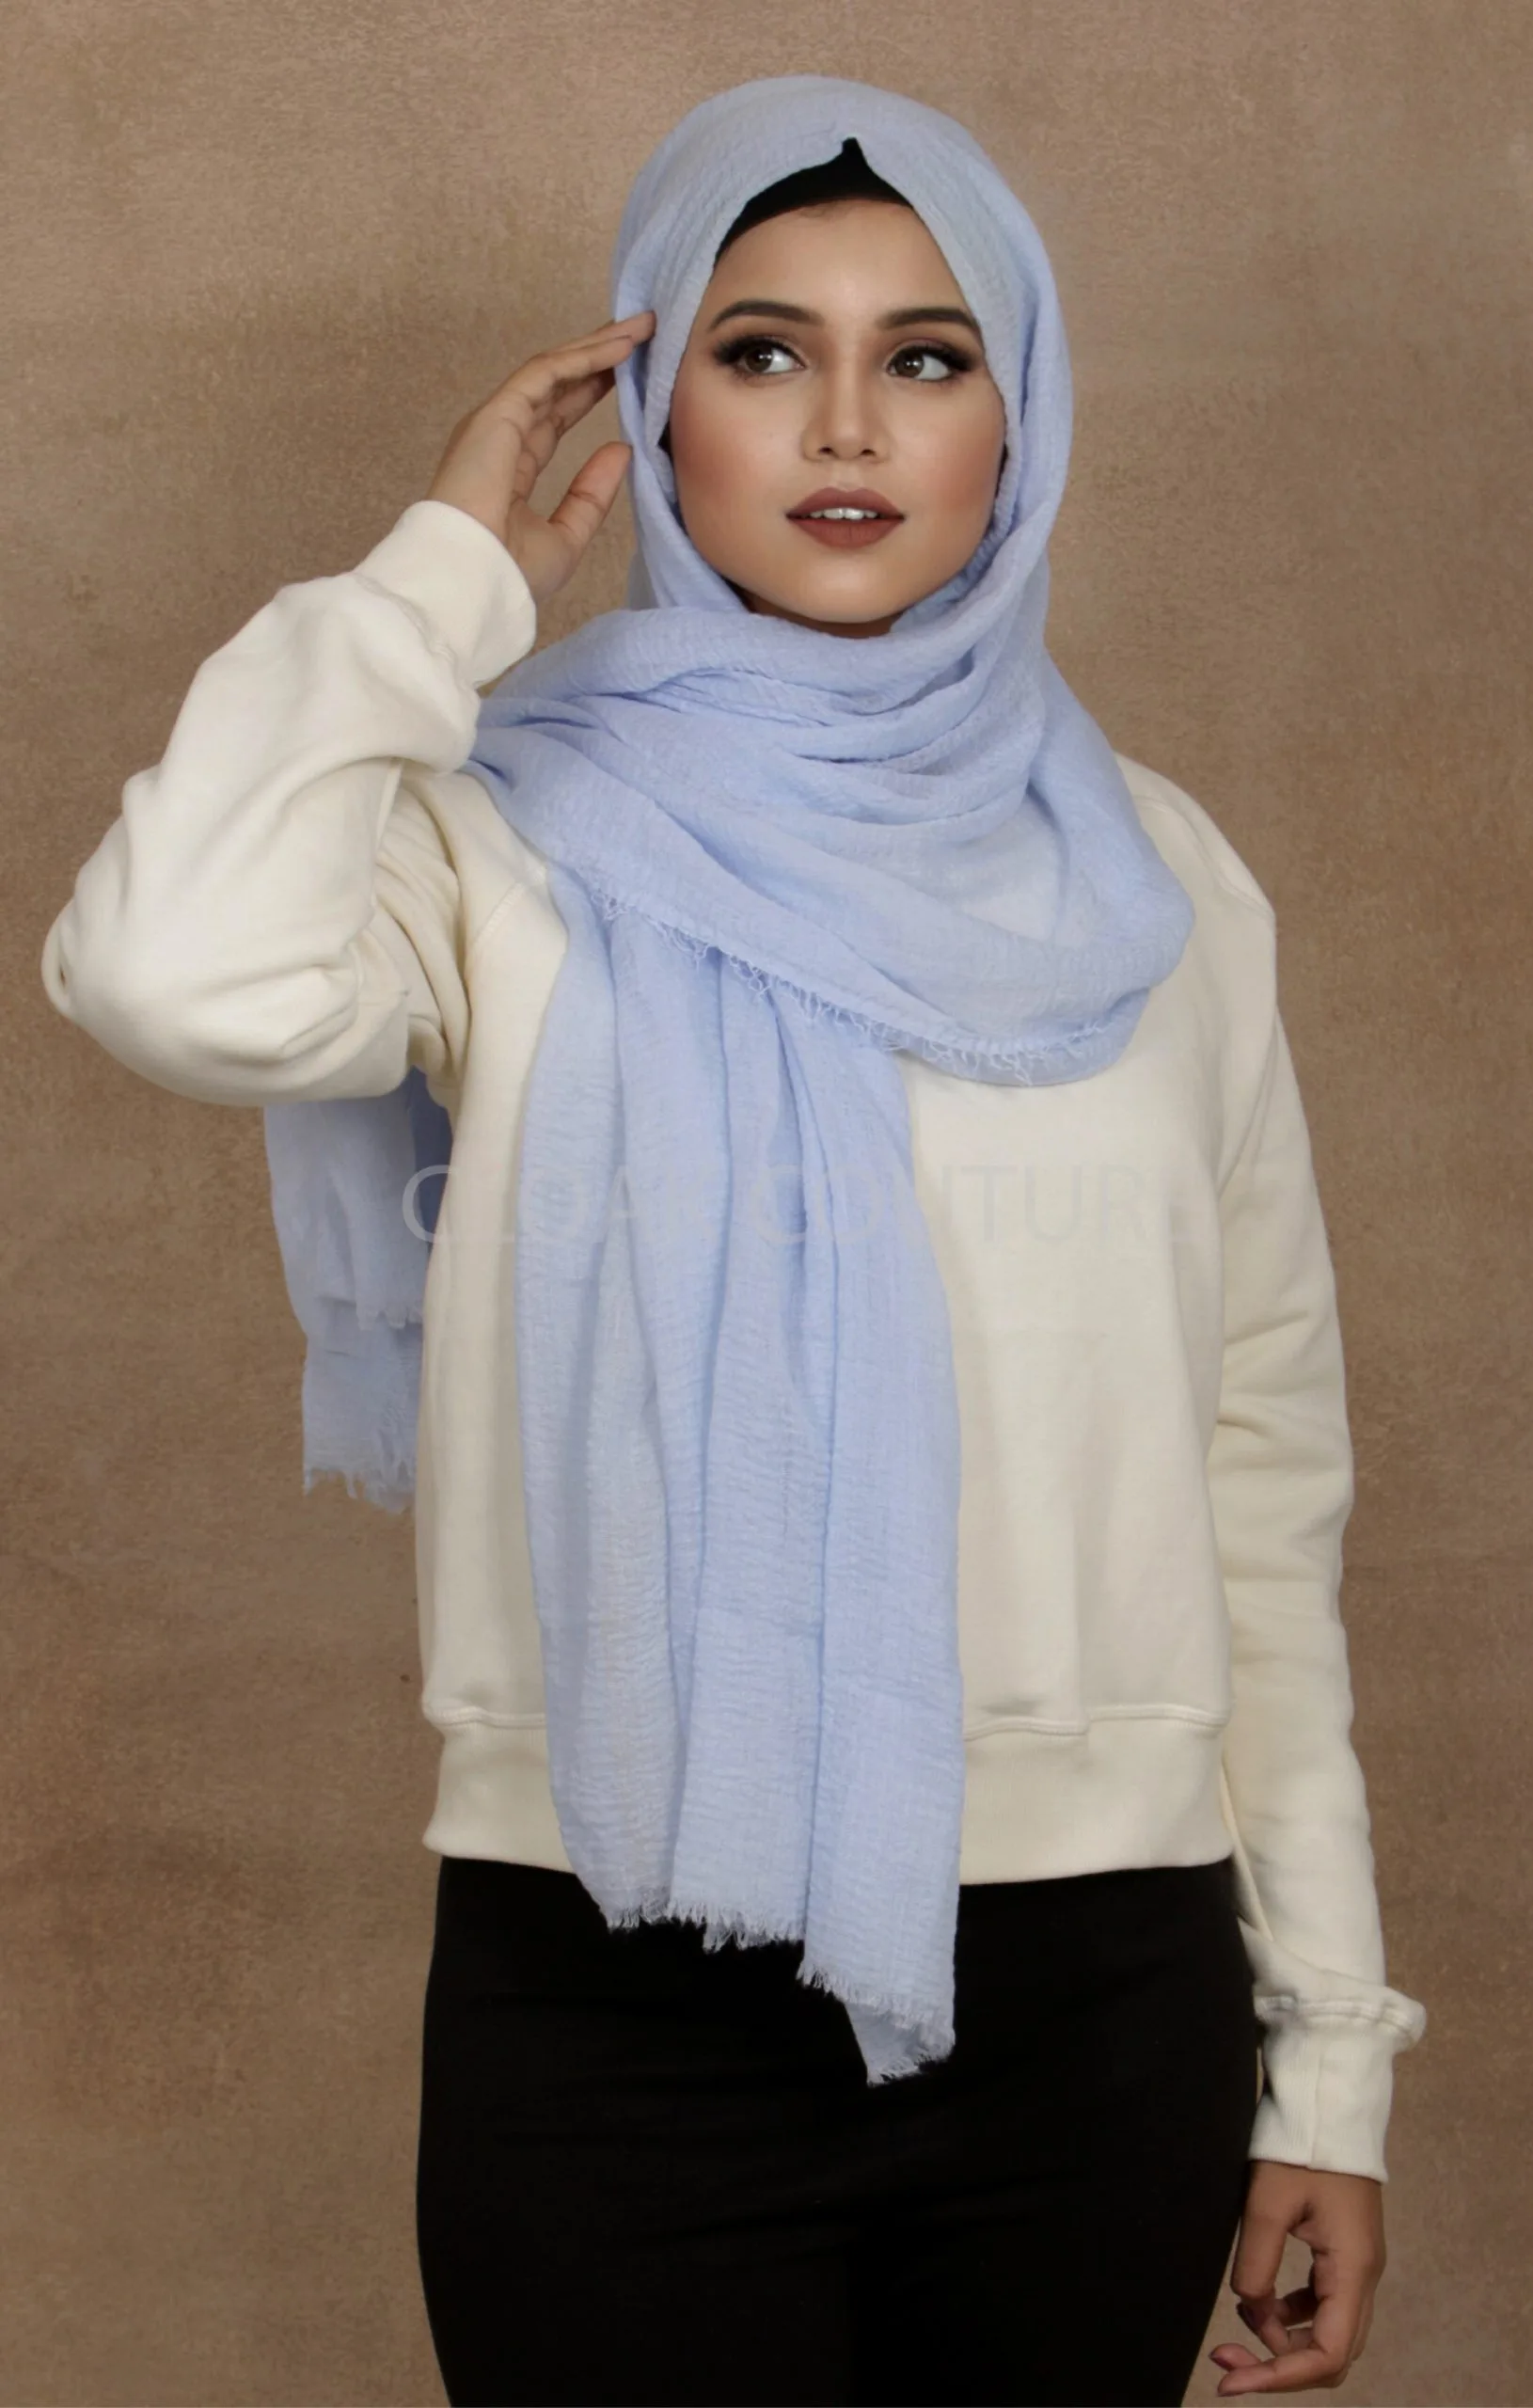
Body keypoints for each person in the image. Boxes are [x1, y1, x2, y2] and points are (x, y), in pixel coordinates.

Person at [40, 74, 1426, 2408]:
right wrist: (443, 576)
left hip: (1099, 2000)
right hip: (616, 1982)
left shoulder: (1160, 879)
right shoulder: (494, 841)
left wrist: (1328, 2062)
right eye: (762, 349)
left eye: (928, 354)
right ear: (651, 404)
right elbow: (171, 969)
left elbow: (1258, 1485)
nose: (846, 423)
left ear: (1018, 418)